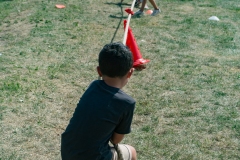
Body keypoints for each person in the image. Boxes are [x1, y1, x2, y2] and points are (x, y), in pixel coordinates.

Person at [61, 42, 137, 160]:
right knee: (131, 152)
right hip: (93, 157)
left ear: (99, 71)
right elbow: (115, 140)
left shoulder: (93, 86)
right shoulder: (127, 103)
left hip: (68, 151)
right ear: (130, 73)